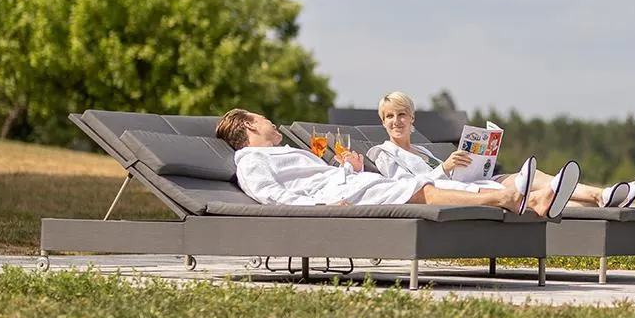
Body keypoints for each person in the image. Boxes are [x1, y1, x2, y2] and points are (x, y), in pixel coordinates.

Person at [214, 108, 579, 218]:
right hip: (338, 198)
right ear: (248, 127)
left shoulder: (280, 153)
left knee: (428, 189)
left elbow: (311, 178)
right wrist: (320, 206)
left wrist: (348, 169)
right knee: (420, 191)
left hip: (347, 185)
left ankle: (532, 199)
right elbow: (273, 197)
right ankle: (509, 199)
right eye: (262, 119)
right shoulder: (250, 160)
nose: (271, 123)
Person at [369, 92, 635, 208]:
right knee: (527, 191)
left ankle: (601, 195)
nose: (397, 121)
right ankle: (594, 200)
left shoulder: (423, 150)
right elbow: (405, 188)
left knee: (535, 175)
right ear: (383, 122)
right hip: (455, 191)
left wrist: (476, 162)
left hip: (471, 181)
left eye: (402, 115)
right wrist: (445, 167)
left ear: (412, 119)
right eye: (390, 117)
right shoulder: (382, 154)